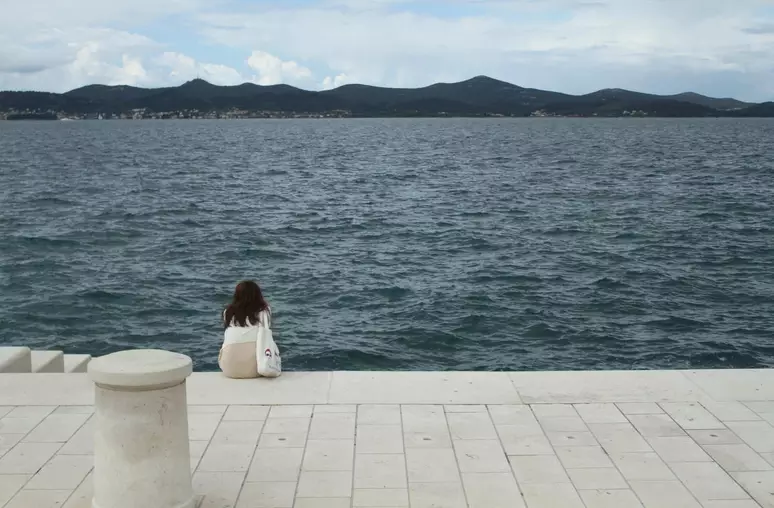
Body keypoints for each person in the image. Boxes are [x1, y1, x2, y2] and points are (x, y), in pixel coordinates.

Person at [219, 280, 272, 379]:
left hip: (229, 369)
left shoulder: (227, 312)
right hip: (257, 369)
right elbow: (266, 334)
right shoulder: (264, 311)